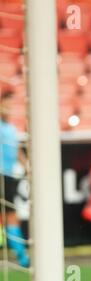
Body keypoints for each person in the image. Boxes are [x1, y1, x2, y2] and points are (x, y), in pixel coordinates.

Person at [0, 97, 29, 268]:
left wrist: (27, 167)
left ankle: (21, 255)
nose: (7, 110)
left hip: (7, 177)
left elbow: (18, 151)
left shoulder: (11, 129)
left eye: (9, 107)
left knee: (11, 215)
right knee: (10, 216)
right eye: (4, 106)